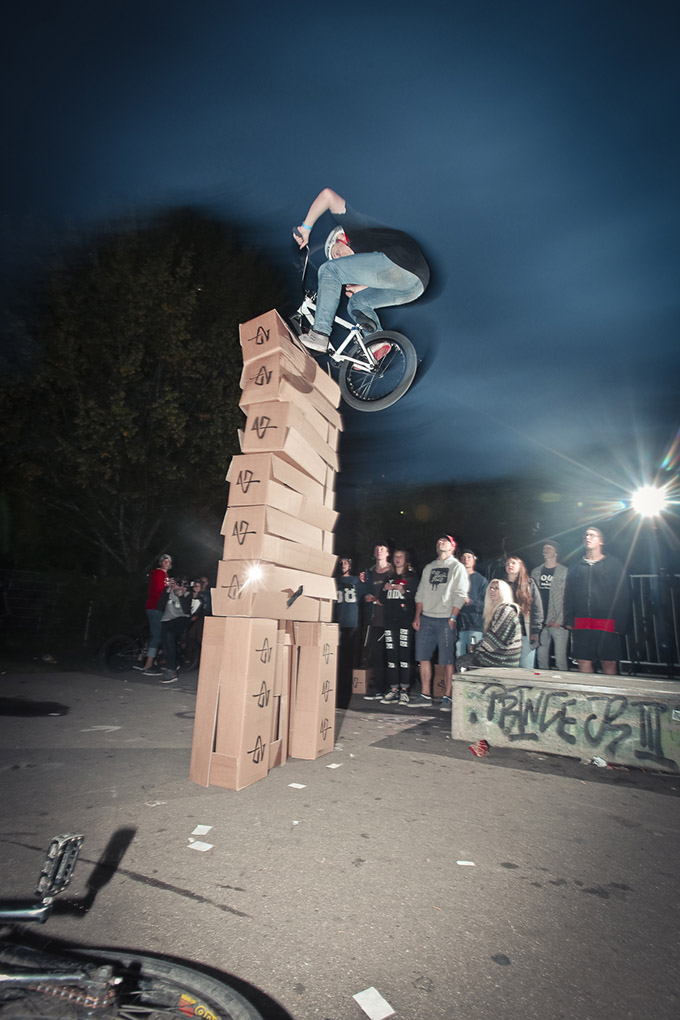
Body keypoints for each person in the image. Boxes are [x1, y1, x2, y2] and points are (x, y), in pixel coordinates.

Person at [292, 188, 430, 353]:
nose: (340, 260)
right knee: (357, 303)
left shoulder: (354, 228)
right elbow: (384, 276)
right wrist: (360, 288)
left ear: (342, 239)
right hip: (415, 285)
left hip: (400, 259)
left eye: (337, 253)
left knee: (330, 270)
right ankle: (377, 342)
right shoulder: (370, 262)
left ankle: (320, 333)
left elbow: (327, 196)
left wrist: (305, 228)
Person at [564, 526, 632, 675]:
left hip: (606, 620)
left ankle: (612, 696)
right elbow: (569, 593)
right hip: (581, 621)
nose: (587, 538)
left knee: (608, 661)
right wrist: (569, 618)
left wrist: (620, 622)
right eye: (586, 535)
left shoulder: (614, 564)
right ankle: (588, 695)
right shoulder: (575, 566)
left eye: (592, 535)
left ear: (601, 541)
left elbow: (622, 595)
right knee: (583, 660)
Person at [411, 535, 469, 711]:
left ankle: (447, 698)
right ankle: (425, 695)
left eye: (445, 541)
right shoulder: (429, 567)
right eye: (438, 541)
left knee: (447, 660)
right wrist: (417, 616)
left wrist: (453, 617)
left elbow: (460, 594)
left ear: (452, 546)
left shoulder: (457, 567)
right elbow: (420, 593)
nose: (440, 543)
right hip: (427, 618)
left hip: (446, 619)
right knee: (423, 658)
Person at [380, 548, 418, 706]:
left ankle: (404, 691)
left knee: (404, 656)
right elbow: (381, 599)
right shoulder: (389, 577)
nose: (397, 559)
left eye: (400, 556)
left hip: (404, 621)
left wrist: (405, 590)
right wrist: (384, 590)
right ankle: (393, 689)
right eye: (395, 556)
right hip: (389, 621)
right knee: (391, 656)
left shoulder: (412, 577)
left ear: (406, 559)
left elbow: (416, 597)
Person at [456, 580, 522, 670]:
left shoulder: (505, 610)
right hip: (498, 657)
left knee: (461, 662)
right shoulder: (499, 609)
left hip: (502, 660)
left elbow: (493, 641)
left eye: (496, 588)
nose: (492, 590)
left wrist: (476, 648)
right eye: (491, 588)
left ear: (504, 592)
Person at [360, 542, 394, 701]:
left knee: (391, 655)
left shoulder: (393, 571)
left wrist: (385, 600)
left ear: (387, 553)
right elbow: (364, 591)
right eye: (376, 549)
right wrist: (366, 596)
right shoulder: (370, 572)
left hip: (390, 620)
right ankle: (379, 688)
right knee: (377, 655)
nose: (379, 552)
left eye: (382, 549)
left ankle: (392, 688)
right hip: (374, 621)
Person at [531, 541, 569, 671]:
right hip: (541, 622)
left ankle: (564, 686)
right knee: (541, 659)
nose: (545, 550)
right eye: (544, 548)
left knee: (560, 659)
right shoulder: (536, 571)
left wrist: (560, 620)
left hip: (558, 622)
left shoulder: (564, 572)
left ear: (556, 552)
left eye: (549, 548)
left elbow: (568, 597)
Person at [135, 553, 172, 677]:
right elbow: (158, 589)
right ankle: (148, 666)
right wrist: (168, 591)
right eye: (164, 561)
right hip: (155, 606)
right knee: (157, 636)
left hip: (158, 607)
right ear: (160, 562)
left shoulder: (165, 575)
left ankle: (141, 659)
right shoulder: (159, 573)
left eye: (168, 561)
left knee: (154, 634)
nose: (167, 563)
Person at [504, 555, 543, 668]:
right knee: (508, 669)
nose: (509, 565)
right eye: (507, 564)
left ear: (520, 566)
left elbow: (537, 609)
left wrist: (535, 631)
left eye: (513, 563)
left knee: (526, 668)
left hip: (525, 633)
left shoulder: (529, 584)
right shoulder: (500, 584)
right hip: (506, 635)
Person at [334, 556, 361, 709]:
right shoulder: (335, 580)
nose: (343, 565)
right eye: (341, 562)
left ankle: (344, 700)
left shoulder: (357, 581)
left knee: (346, 663)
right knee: (336, 662)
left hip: (350, 625)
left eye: (346, 562)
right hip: (336, 624)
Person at [157, 576, 193, 684]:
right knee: (165, 642)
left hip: (181, 619)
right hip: (167, 619)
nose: (177, 586)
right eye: (175, 583)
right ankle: (172, 664)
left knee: (169, 635)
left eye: (181, 584)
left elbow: (186, 611)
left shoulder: (187, 594)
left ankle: (171, 671)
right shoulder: (169, 591)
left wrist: (181, 595)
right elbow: (159, 607)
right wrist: (167, 591)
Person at [456, 549, 488, 657]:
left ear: (474, 560)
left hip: (475, 626)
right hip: (458, 626)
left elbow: (487, 605)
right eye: (463, 557)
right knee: (459, 657)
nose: (466, 560)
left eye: (469, 557)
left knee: (474, 659)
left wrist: (471, 602)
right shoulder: (455, 579)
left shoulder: (481, 580)